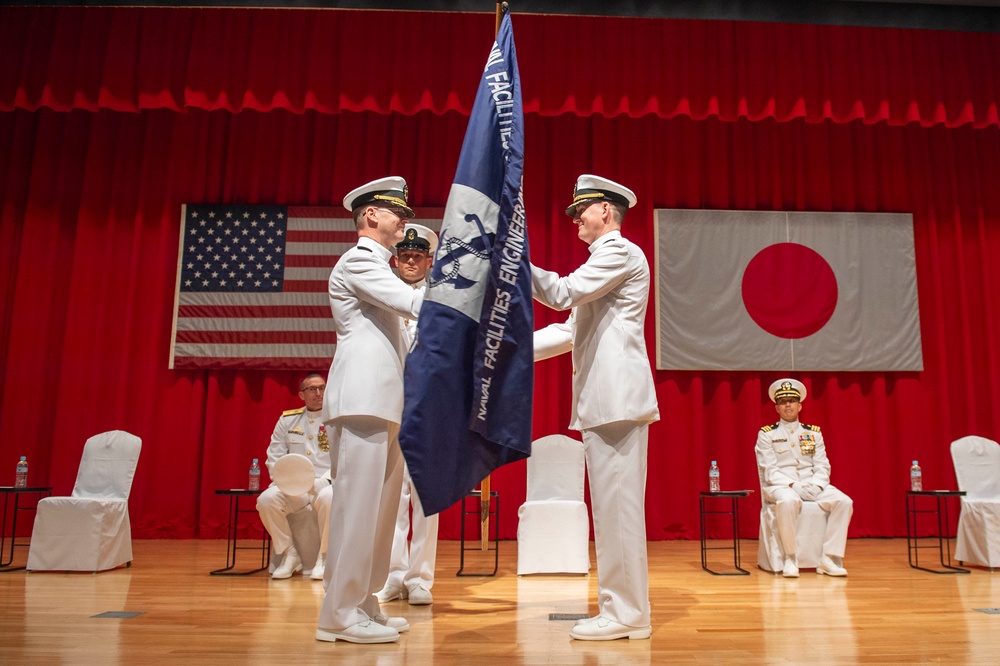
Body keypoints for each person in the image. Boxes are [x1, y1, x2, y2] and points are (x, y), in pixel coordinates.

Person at [532, 175, 659, 642]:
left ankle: (627, 614)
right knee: (610, 512)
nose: (574, 220)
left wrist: (512, 267)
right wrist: (507, 354)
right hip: (605, 401)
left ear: (604, 210)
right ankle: (619, 608)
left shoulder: (617, 252)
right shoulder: (602, 262)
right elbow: (568, 330)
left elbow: (561, 293)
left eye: (579, 211)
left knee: (619, 512)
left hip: (616, 399)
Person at [315, 177, 425, 644]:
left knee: (379, 513)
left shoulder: (380, 266)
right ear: (372, 216)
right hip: (361, 400)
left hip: (383, 401)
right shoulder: (360, 261)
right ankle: (337, 614)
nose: (404, 218)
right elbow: (414, 301)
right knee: (356, 511)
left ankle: (363, 601)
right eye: (396, 211)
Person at [376, 223, 440, 607]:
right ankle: (393, 574)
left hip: (428, 406)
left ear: (429, 260)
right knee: (391, 497)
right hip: (390, 402)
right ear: (395, 259)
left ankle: (420, 578)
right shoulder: (382, 292)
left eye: (417, 256)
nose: (410, 262)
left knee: (425, 495)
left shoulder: (442, 298)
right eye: (404, 256)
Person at [755, 378, 854, 578]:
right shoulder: (767, 434)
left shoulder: (813, 433)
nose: (788, 405)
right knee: (789, 501)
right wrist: (794, 486)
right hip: (781, 485)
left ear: (800, 406)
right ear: (777, 408)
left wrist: (817, 486)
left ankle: (829, 557)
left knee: (844, 502)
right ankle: (791, 557)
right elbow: (770, 471)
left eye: (792, 401)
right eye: (783, 402)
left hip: (812, 483)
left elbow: (822, 465)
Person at [256, 373, 333, 580]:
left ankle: (324, 557)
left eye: (322, 388)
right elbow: (274, 456)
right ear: (301, 394)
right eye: (312, 389)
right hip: (293, 486)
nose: (319, 393)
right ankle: (290, 553)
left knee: (330, 498)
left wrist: (324, 480)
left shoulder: (336, 420)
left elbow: (344, 457)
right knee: (266, 500)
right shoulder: (288, 420)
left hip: (324, 483)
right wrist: (286, 483)